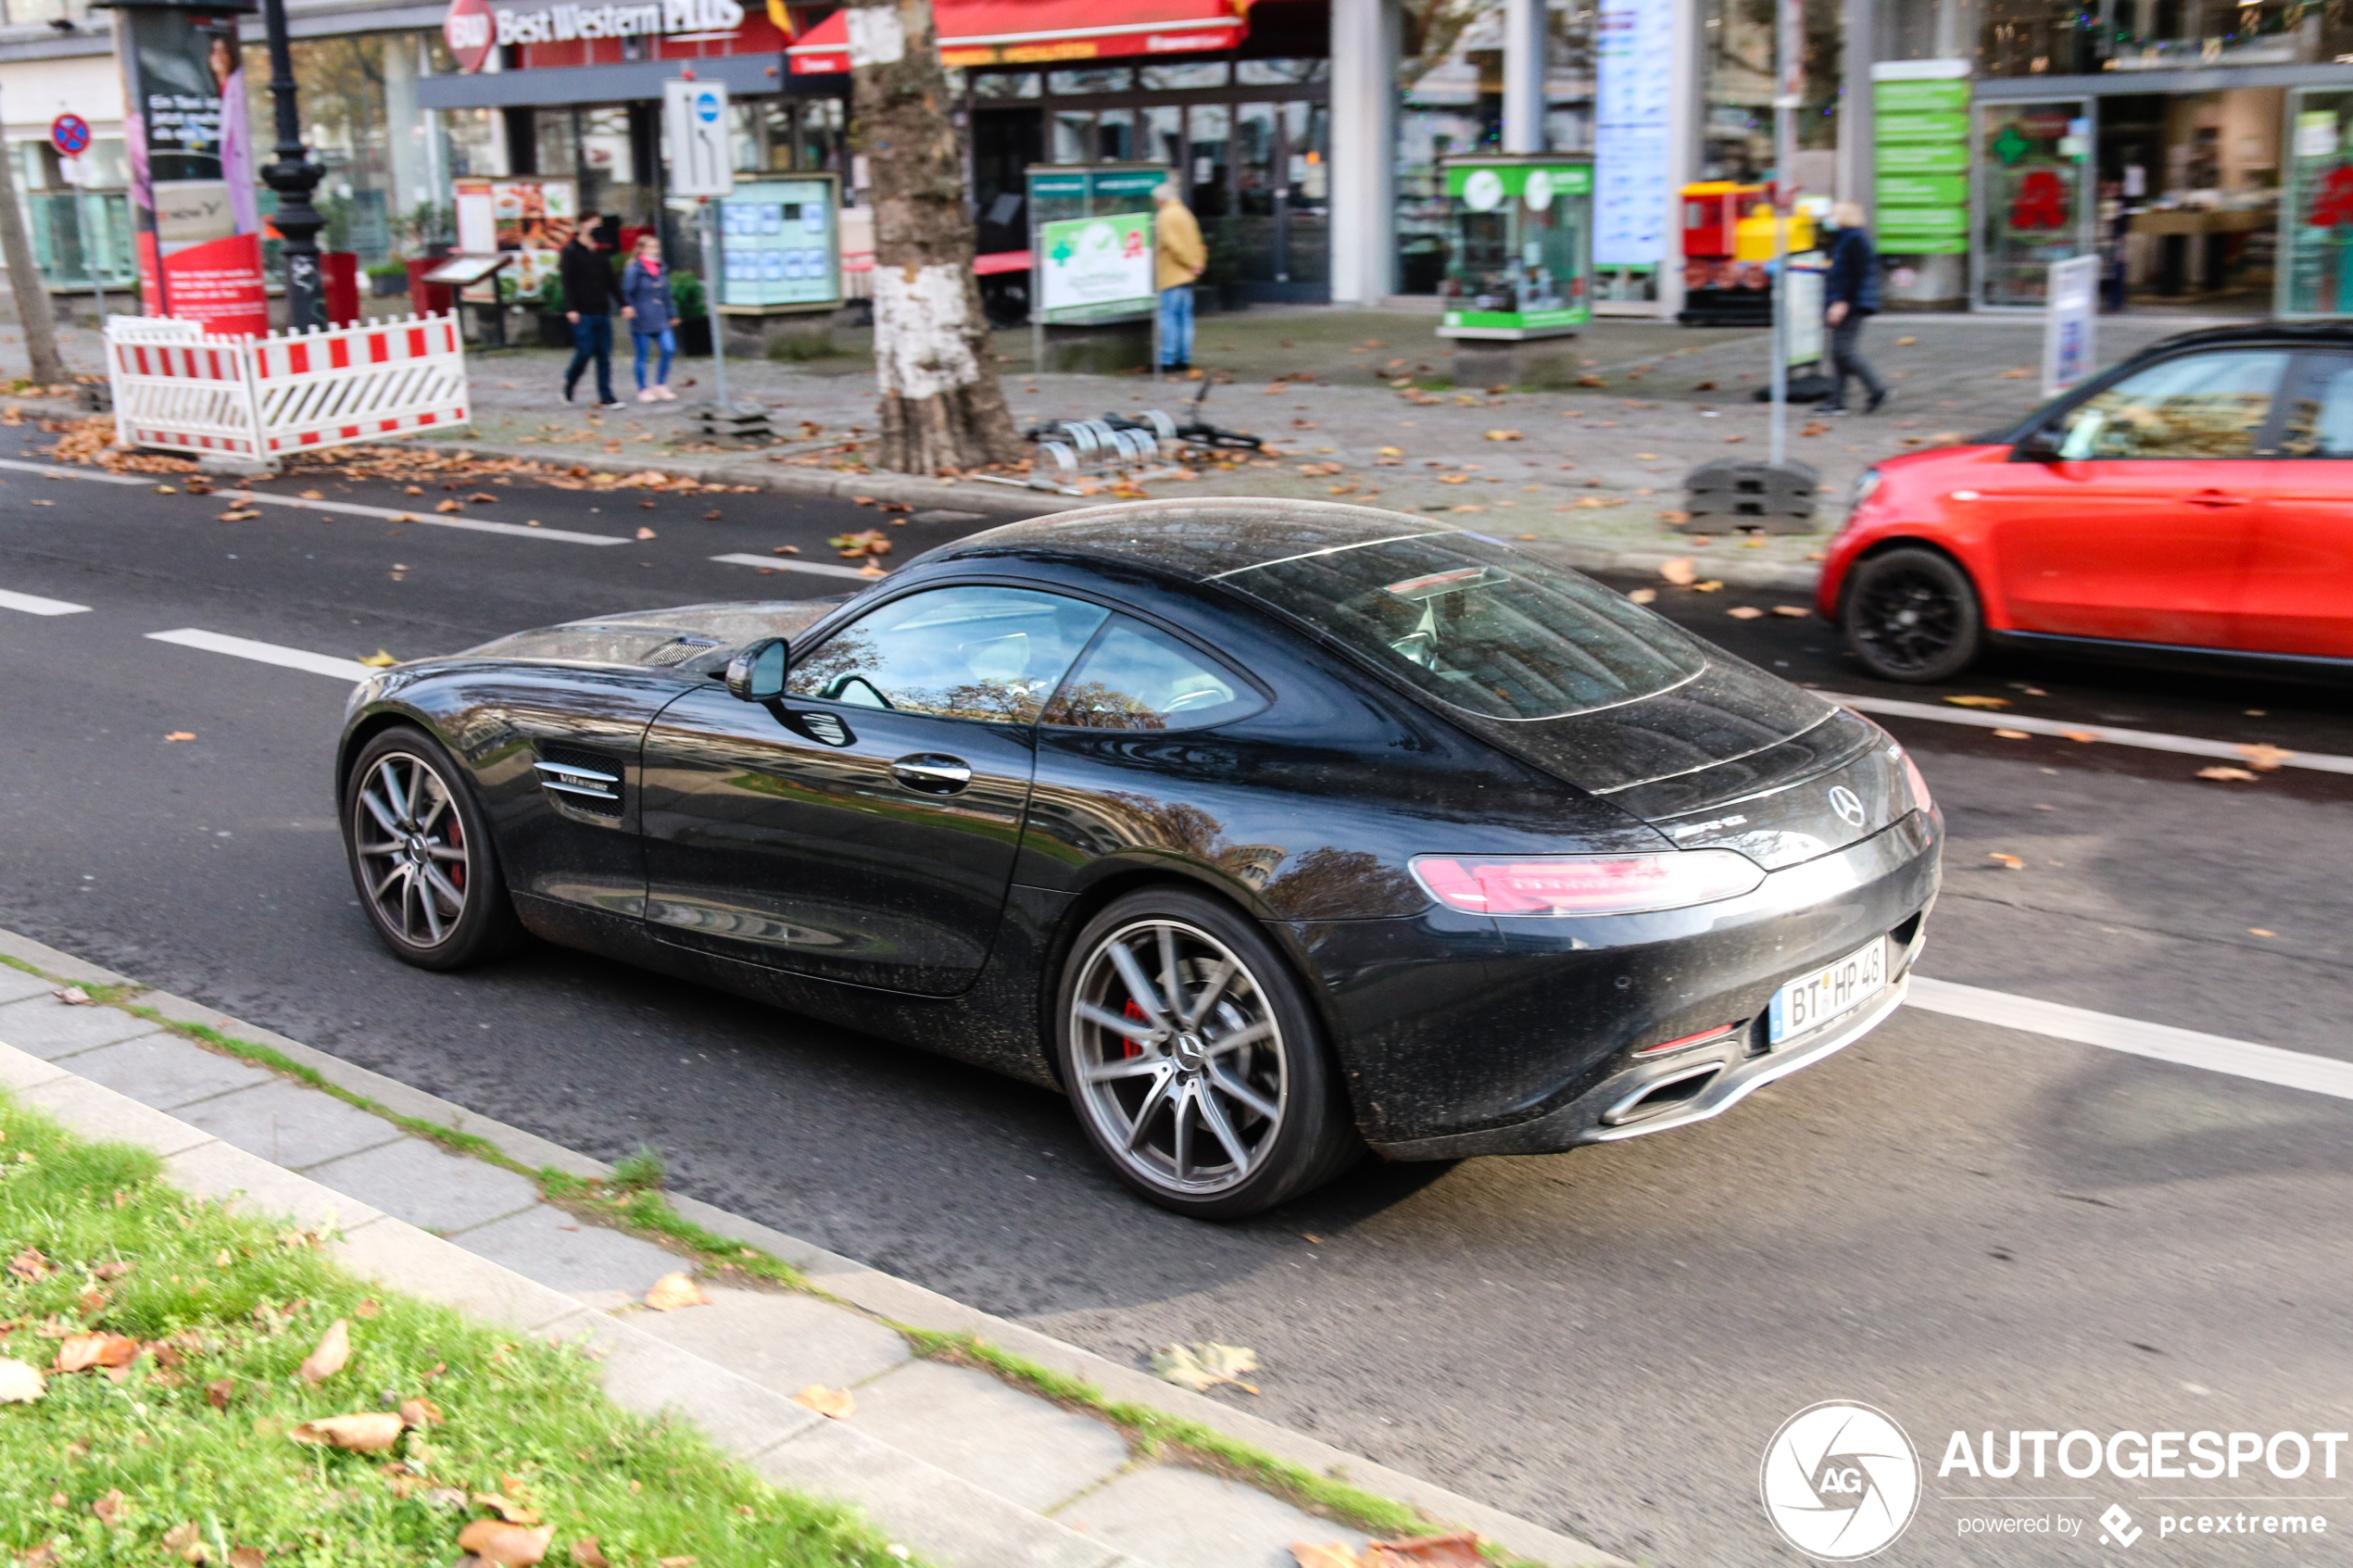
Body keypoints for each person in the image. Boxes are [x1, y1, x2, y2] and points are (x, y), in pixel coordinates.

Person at [1819, 200, 1886, 416]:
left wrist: (1842, 303)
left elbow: (1856, 275)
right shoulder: (1845, 238)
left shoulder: (1854, 239)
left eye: (1834, 214)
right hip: (1848, 301)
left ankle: (1877, 389)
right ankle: (1836, 400)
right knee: (1838, 353)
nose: (1830, 218)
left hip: (1852, 303)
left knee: (1843, 351)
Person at [559, 215, 623, 409]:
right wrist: (571, 308)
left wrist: (623, 304)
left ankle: (606, 395)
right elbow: (567, 281)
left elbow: (610, 280)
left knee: (604, 354)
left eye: (598, 224)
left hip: (601, 309)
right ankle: (569, 384)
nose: (596, 227)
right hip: (582, 311)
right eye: (592, 223)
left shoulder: (600, 250)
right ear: (582, 225)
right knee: (585, 352)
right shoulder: (571, 250)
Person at [1152, 182, 1205, 374]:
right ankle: (1184, 357)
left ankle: (1168, 359)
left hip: (1172, 275)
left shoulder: (1165, 216)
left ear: (1161, 199)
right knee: (1185, 318)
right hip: (1188, 276)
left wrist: (1189, 262)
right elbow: (1197, 242)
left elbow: (1173, 245)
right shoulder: (1185, 213)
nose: (1155, 204)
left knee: (1168, 317)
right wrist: (1198, 265)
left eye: (1156, 200)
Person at [618, 235, 677, 402]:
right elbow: (627, 292)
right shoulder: (634, 270)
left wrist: (672, 313)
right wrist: (629, 308)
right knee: (642, 355)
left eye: (657, 247)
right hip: (641, 317)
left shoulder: (661, 270)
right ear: (642, 249)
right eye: (651, 248)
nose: (655, 251)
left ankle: (660, 384)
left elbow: (666, 294)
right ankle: (643, 388)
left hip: (660, 317)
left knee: (668, 348)